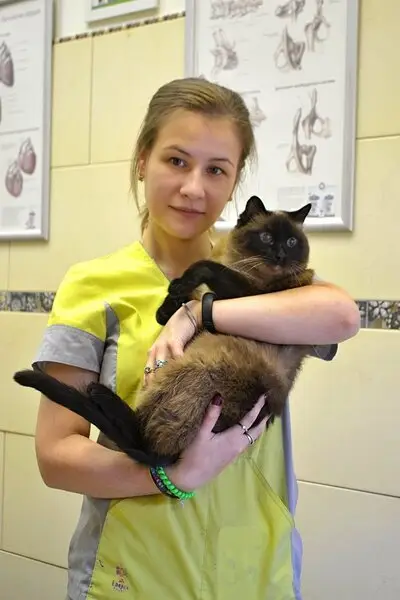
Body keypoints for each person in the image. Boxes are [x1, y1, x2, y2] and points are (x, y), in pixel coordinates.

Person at [32, 77, 360, 600]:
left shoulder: (266, 278)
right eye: (176, 160)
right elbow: (55, 457)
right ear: (143, 160)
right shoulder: (93, 286)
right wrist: (173, 476)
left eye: (216, 170)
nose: (193, 188)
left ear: (235, 182)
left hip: (252, 572)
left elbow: (342, 316)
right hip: (132, 573)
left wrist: (199, 312)